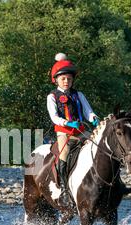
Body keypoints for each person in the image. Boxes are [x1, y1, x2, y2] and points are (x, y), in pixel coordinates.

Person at [47, 53, 100, 204]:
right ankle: (64, 188)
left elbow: (88, 111)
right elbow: (54, 117)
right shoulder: (52, 96)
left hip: (81, 131)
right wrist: (67, 123)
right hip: (64, 132)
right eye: (63, 78)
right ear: (56, 79)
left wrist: (94, 118)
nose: (66, 81)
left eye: (69, 79)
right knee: (64, 154)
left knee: (100, 147)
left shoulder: (79, 94)